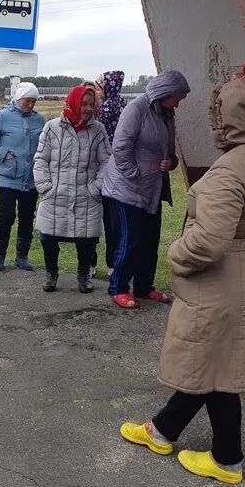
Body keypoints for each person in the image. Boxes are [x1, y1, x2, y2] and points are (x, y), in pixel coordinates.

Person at [119, 78, 245, 485]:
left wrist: (175, 255)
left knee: (212, 366)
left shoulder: (231, 169)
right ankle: (163, 431)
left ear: (226, 118)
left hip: (221, 283)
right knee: (216, 366)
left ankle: (227, 458)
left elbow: (209, 241)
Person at [101, 69, 190, 309]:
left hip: (152, 189)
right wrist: (134, 175)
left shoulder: (167, 115)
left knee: (150, 240)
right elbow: (120, 147)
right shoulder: (137, 109)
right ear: (166, 92)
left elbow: (170, 152)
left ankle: (144, 287)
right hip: (126, 188)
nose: (178, 105)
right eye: (177, 99)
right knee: (130, 239)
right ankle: (118, 287)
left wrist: (170, 162)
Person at [33, 85, 110, 293]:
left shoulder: (98, 130)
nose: (88, 109)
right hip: (55, 195)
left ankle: (83, 275)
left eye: (91, 105)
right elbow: (41, 159)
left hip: (86, 197)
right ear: (73, 102)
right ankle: (51, 273)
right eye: (84, 104)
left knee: (86, 241)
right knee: (48, 238)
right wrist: (45, 187)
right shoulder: (52, 128)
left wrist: (96, 188)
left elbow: (106, 162)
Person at [0, 82, 46, 272]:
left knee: (27, 218)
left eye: (34, 101)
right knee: (7, 216)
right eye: (28, 100)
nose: (31, 105)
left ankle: (22, 257)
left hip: (30, 179)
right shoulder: (3, 116)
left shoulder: (39, 120)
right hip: (7, 178)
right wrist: (4, 154)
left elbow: (43, 146)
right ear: (19, 98)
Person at [92, 70, 127, 273]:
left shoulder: (106, 108)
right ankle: (113, 262)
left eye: (99, 86)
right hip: (119, 170)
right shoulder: (122, 103)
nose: (97, 90)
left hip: (104, 167)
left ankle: (94, 262)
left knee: (101, 216)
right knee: (114, 220)